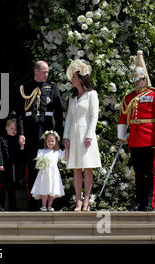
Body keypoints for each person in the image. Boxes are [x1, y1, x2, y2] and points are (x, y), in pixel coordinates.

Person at [118, 51, 155, 212]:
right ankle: (139, 202)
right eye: (133, 79)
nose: (135, 82)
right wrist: (121, 134)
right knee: (138, 173)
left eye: (138, 79)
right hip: (134, 139)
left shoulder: (154, 95)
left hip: (150, 138)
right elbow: (123, 117)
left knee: (151, 171)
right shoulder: (129, 97)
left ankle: (149, 203)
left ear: (144, 79)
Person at [16, 60, 63, 210]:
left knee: (49, 166)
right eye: (44, 71)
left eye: (48, 71)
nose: (46, 74)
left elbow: (59, 113)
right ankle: (32, 200)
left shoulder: (52, 88)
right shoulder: (25, 88)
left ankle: (49, 202)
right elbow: (20, 114)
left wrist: (59, 135)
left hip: (47, 131)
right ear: (36, 71)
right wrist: (21, 133)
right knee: (32, 166)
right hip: (30, 131)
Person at [63, 59, 101, 212]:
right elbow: (69, 118)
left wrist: (90, 135)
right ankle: (78, 201)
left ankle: (86, 200)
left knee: (87, 168)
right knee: (76, 168)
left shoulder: (92, 94)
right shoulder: (72, 98)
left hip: (86, 133)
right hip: (74, 133)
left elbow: (94, 116)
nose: (71, 80)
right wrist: (66, 136)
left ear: (80, 78)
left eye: (73, 77)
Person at [30, 130, 67, 212]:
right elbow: (38, 160)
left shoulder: (57, 152)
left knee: (52, 190)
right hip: (44, 173)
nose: (51, 143)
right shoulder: (41, 151)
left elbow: (65, 157)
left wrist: (67, 147)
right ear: (45, 141)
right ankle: (43, 205)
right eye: (49, 141)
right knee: (44, 189)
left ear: (56, 141)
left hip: (53, 174)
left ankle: (50, 206)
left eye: (53, 141)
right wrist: (42, 161)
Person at [0, 118, 21, 211]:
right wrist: (0, 164)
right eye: (12, 128)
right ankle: (0, 205)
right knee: (2, 186)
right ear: (6, 128)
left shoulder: (17, 140)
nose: (14, 131)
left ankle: (12, 205)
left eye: (15, 129)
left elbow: (19, 154)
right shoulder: (2, 139)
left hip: (13, 167)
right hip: (4, 167)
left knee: (12, 187)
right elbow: (0, 153)